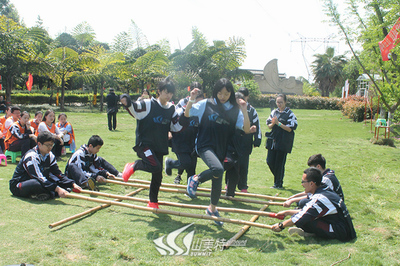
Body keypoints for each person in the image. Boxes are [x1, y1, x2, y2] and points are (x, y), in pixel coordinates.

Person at [185, 78, 251, 225]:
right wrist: (191, 99)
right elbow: (187, 114)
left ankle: (212, 208)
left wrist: (244, 110)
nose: (222, 97)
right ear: (216, 92)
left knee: (217, 177)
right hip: (204, 145)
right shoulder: (206, 103)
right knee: (218, 169)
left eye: (226, 94)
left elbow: (246, 129)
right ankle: (195, 179)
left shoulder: (235, 110)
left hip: (221, 148)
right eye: (220, 93)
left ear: (231, 94)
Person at [120, 77, 182, 209]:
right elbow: (135, 109)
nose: (169, 95)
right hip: (145, 144)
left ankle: (153, 201)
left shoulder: (171, 108)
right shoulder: (148, 104)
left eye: (171, 93)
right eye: (166, 92)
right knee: (155, 166)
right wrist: (126, 100)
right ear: (159, 91)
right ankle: (134, 165)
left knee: (158, 175)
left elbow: (176, 126)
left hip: (159, 145)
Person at [271, 167, 356, 242]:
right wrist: (287, 212)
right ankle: (312, 233)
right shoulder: (324, 188)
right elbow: (307, 211)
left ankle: (311, 233)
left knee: (306, 221)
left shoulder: (321, 199)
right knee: (305, 213)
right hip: (337, 223)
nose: (302, 184)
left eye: (303, 182)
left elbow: (303, 216)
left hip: (341, 232)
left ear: (312, 183)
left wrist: (281, 225)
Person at [9, 131, 81, 201]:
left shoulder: (50, 155)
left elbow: (57, 174)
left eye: (51, 145)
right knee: (37, 183)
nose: (50, 147)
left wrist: (72, 184)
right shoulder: (31, 157)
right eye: (47, 145)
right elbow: (38, 177)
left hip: (40, 180)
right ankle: (50, 193)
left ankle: (46, 193)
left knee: (54, 182)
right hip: (19, 185)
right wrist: (57, 188)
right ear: (39, 144)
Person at [164, 82, 204, 184]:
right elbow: (171, 121)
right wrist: (169, 132)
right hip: (180, 141)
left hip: (192, 142)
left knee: (192, 167)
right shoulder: (181, 110)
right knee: (186, 163)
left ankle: (190, 187)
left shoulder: (201, 113)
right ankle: (171, 163)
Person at [266, 94, 297, 189]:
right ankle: (278, 178)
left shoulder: (290, 114)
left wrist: (278, 123)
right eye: (277, 102)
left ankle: (278, 183)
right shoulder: (274, 112)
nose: (279, 104)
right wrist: (273, 123)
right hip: (273, 141)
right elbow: (269, 125)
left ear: (285, 102)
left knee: (279, 163)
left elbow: (290, 129)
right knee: (270, 161)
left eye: (281, 102)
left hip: (284, 142)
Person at [236, 87, 262, 193]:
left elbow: (257, 125)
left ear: (247, 97)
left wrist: (257, 139)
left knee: (243, 164)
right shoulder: (233, 109)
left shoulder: (252, 110)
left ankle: (243, 186)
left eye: (243, 96)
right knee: (232, 163)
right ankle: (229, 184)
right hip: (234, 141)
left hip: (246, 142)